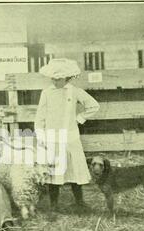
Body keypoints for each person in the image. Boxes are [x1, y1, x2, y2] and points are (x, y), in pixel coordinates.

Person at [35, 58, 100, 221]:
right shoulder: (47, 92)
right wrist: (42, 137)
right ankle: (54, 206)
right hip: (52, 139)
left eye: (59, 78)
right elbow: (40, 117)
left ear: (67, 77)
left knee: (74, 172)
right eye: (53, 78)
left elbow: (93, 105)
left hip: (70, 139)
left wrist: (79, 118)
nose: (55, 81)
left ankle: (80, 203)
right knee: (53, 174)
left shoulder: (75, 91)